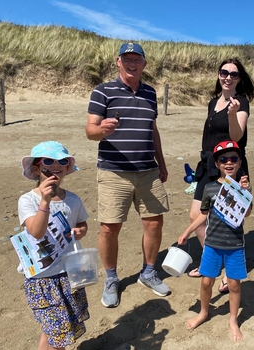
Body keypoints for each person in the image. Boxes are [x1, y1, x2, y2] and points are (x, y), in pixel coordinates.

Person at [85, 42, 170, 308]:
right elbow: (90, 131)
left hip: (148, 170)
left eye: (137, 59)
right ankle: (111, 278)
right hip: (113, 172)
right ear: (118, 62)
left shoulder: (150, 93)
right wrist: (102, 130)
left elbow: (152, 130)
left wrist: (162, 163)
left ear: (144, 64)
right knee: (110, 227)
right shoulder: (103, 91)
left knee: (154, 223)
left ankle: (148, 272)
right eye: (127, 58)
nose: (132, 63)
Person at [188, 58, 254, 292]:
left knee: (229, 218)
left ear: (239, 79)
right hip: (209, 165)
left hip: (230, 164)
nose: (228, 77)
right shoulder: (212, 102)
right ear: (218, 74)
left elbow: (236, 137)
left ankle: (227, 271)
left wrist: (232, 114)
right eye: (224, 72)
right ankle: (211, 264)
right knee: (196, 215)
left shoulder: (241, 102)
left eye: (234, 74)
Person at [18, 141, 90, 350]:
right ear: (36, 167)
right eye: (49, 160)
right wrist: (45, 202)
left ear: (68, 167)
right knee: (57, 334)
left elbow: (82, 223)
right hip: (42, 279)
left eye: (63, 161)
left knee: (57, 331)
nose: (56, 165)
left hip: (69, 274)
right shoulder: (28, 200)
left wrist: (81, 231)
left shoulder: (74, 200)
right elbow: (36, 232)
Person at [178, 141, 252, 342]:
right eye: (223, 159)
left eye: (233, 159)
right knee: (206, 281)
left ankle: (233, 319)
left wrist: (244, 192)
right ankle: (203, 312)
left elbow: (247, 213)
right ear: (217, 164)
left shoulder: (243, 187)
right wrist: (187, 231)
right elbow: (203, 215)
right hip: (212, 244)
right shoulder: (209, 188)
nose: (229, 162)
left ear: (239, 162)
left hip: (235, 245)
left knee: (235, 284)